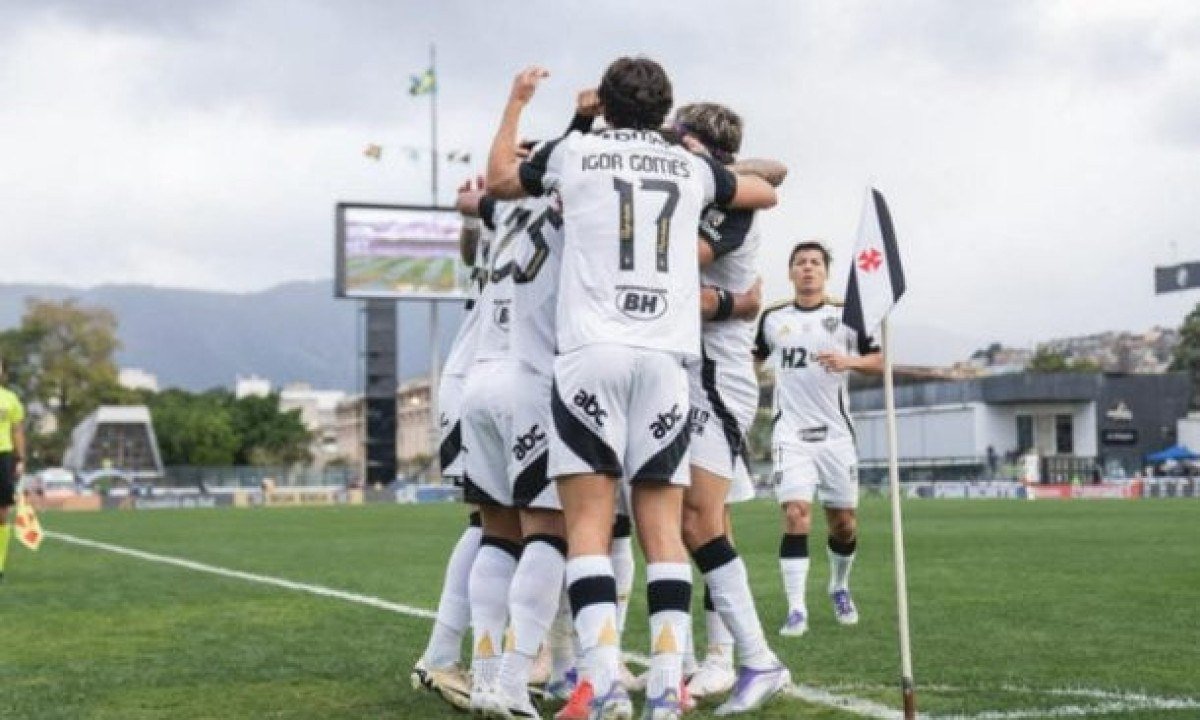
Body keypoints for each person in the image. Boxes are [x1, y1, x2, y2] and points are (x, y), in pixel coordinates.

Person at [487, 58, 778, 720]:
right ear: (664, 110)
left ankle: (602, 684)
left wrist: (517, 102)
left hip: (592, 353)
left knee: (589, 527)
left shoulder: (575, 152)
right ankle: (668, 690)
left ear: (607, 106)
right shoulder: (690, 165)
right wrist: (690, 154)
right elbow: (765, 191)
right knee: (663, 532)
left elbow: (502, 176)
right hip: (666, 361)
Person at [671, 102, 793, 714]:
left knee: (700, 521)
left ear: (693, 144)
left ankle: (750, 658)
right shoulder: (715, 184)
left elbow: (670, 270)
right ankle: (696, 659)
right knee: (687, 521)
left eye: (675, 137)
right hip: (685, 371)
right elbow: (771, 169)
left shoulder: (731, 206)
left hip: (714, 377)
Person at [754, 241, 882, 636]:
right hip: (791, 433)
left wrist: (850, 361)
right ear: (791, 272)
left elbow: (879, 360)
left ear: (825, 272)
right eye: (800, 263)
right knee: (795, 514)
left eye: (815, 262)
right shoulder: (773, 318)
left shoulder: (847, 316)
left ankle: (839, 586)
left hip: (836, 435)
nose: (808, 268)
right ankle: (796, 609)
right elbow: (752, 360)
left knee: (843, 524)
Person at [410, 178, 491, 712]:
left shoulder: (511, 218)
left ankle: (464, 659)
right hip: (482, 382)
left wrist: (470, 217)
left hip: (481, 381)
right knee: (495, 525)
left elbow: (469, 248)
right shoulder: (526, 218)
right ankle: (449, 658)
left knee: (502, 525)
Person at [0, 361, 27, 583]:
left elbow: (17, 430)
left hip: (4, 457)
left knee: (2, 513)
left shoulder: (10, 399)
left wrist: (20, 459)